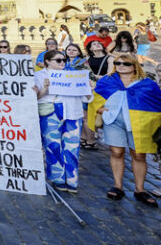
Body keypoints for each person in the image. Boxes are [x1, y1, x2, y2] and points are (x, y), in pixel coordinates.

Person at [90, 54, 161, 207]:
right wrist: (101, 110)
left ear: (135, 65)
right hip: (114, 121)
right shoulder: (107, 81)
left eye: (126, 63)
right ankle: (117, 186)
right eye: (118, 63)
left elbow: (156, 104)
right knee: (116, 152)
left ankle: (140, 189)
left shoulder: (147, 84)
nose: (121, 65)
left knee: (139, 154)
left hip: (139, 123)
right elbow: (94, 98)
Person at [33, 50, 92, 193]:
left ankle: (72, 179)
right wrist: (46, 87)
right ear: (47, 61)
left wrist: (89, 89)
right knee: (53, 145)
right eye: (58, 60)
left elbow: (87, 98)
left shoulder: (74, 75)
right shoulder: (38, 76)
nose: (62, 63)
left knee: (72, 146)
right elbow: (35, 98)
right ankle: (57, 177)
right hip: (50, 112)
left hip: (73, 112)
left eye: (63, 60)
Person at [81, 40, 114, 149]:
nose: (97, 44)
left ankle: (98, 137)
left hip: (102, 90)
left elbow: (109, 75)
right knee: (87, 115)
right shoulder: (87, 59)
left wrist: (93, 76)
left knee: (99, 114)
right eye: (94, 44)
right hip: (88, 89)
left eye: (98, 43)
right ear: (90, 49)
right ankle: (88, 138)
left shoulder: (110, 58)